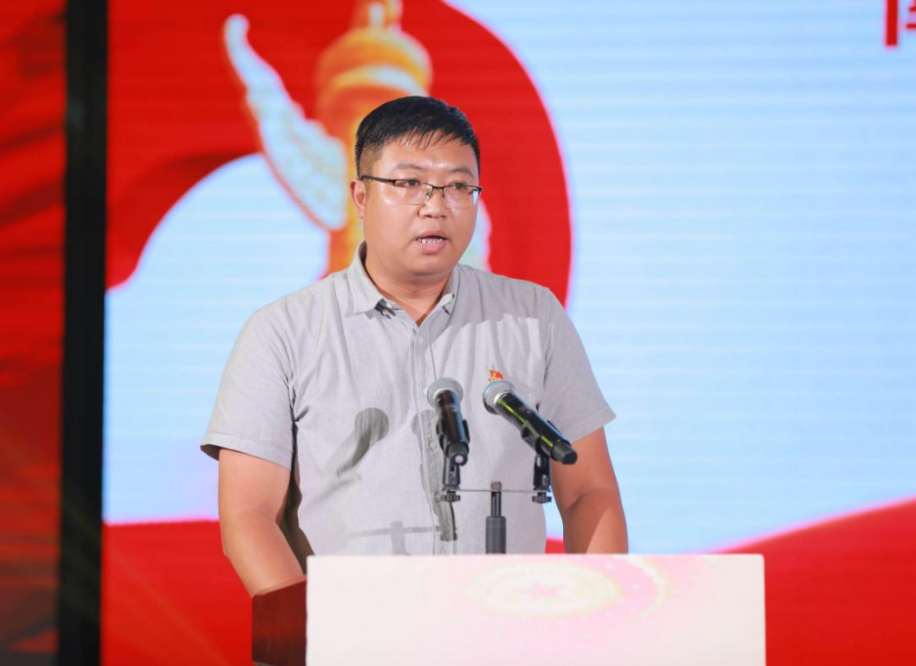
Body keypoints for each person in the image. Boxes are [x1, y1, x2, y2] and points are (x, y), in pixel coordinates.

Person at [203, 96, 627, 595]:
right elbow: (249, 515)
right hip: (351, 626)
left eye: (458, 186)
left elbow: (588, 491)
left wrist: (600, 615)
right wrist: (308, 628)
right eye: (409, 184)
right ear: (360, 196)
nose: (436, 206)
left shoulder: (533, 317)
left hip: (502, 623)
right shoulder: (283, 332)